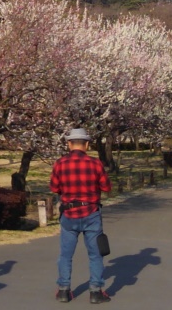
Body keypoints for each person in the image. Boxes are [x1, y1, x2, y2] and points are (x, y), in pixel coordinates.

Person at [50, 128, 112, 304]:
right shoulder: (95, 164)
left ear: (69, 144)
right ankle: (95, 292)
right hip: (91, 213)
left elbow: (55, 188)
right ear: (87, 144)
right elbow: (107, 187)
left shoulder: (60, 163)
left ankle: (63, 290)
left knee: (65, 255)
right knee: (95, 254)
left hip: (69, 214)